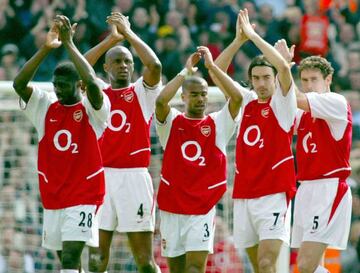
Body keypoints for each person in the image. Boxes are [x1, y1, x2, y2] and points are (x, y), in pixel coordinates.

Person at [12, 15, 110, 273]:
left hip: (85, 193)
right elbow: (19, 84)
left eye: (63, 85)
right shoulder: (45, 107)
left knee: (69, 258)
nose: (57, 90)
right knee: (69, 262)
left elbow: (91, 82)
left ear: (77, 85)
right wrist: (47, 47)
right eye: (55, 85)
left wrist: (70, 44)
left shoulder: (93, 109)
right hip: (54, 194)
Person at [215, 9, 297, 273]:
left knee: (266, 263)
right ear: (250, 80)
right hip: (244, 194)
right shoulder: (246, 101)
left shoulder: (283, 102)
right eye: (257, 78)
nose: (262, 83)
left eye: (266, 78)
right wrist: (239, 41)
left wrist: (253, 36)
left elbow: (284, 67)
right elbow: (215, 71)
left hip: (273, 195)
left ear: (274, 80)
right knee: (256, 266)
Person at [84, 12, 162, 273]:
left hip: (134, 179)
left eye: (127, 61)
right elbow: (79, 69)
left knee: (145, 262)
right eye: (116, 62)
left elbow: (155, 67)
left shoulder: (141, 93)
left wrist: (128, 34)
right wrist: (110, 41)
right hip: (101, 178)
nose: (123, 66)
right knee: (96, 259)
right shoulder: (98, 93)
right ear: (106, 68)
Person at [155, 46, 242, 273]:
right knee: (177, 270)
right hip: (171, 208)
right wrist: (184, 72)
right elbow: (161, 102)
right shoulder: (172, 122)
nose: (201, 98)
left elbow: (237, 97)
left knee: (195, 269)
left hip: (201, 209)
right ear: (183, 97)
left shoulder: (217, 124)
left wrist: (212, 67)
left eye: (204, 94)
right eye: (194, 94)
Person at [275, 40, 353, 273]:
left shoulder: (335, 102)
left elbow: (295, 98)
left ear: (328, 80)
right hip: (306, 187)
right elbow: (284, 103)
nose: (308, 85)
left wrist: (283, 65)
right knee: (310, 266)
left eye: (314, 80)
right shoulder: (304, 112)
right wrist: (281, 70)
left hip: (328, 188)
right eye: (305, 80)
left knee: (305, 265)